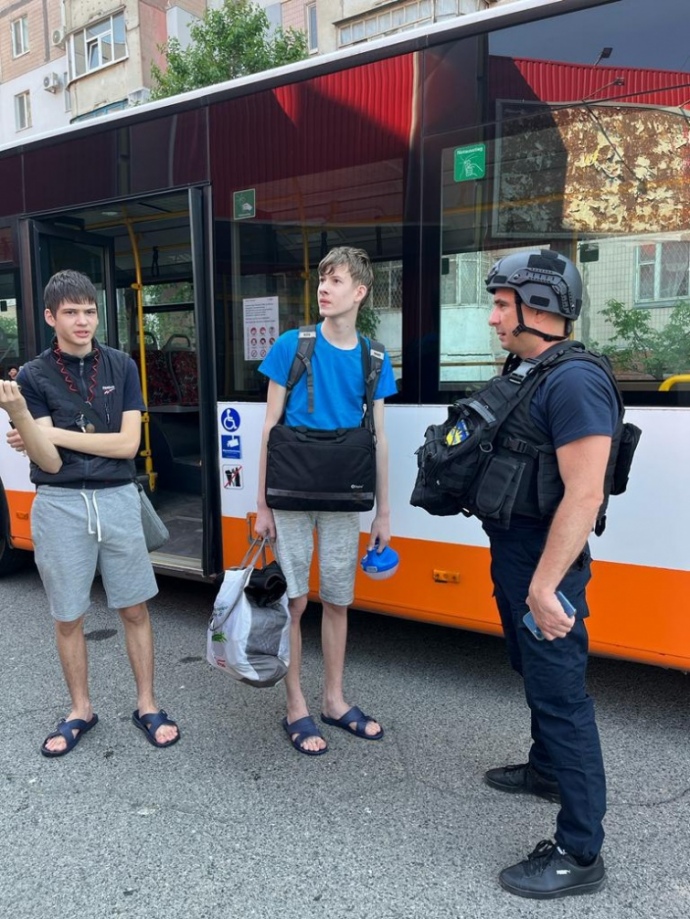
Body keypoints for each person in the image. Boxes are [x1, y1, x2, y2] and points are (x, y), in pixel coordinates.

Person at [474, 249, 620, 898]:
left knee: (562, 696)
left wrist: (542, 584)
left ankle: (580, 850)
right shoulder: (535, 371)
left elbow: (584, 495)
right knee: (531, 669)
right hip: (518, 555)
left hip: (546, 565)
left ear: (540, 306)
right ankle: (547, 770)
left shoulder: (575, 381)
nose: (492, 318)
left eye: (501, 305)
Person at [0, 269, 179, 757]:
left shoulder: (121, 365)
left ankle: (147, 703)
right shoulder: (33, 376)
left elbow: (127, 445)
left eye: (90, 311)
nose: (83, 321)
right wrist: (20, 417)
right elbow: (51, 464)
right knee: (67, 615)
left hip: (118, 496)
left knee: (135, 607)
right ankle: (80, 709)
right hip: (58, 504)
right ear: (49, 317)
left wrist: (50, 431)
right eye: (72, 312)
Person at [255, 247, 397, 755]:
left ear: (359, 292)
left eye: (335, 281)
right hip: (291, 495)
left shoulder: (375, 357)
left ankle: (333, 701)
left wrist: (384, 513)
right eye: (321, 280)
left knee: (337, 601)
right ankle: (296, 705)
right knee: (293, 603)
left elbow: (379, 438)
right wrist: (262, 506)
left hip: (344, 497)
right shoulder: (293, 345)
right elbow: (270, 429)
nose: (324, 288)